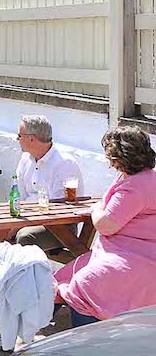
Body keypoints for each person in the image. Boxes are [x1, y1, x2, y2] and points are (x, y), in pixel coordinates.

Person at [55, 126, 156, 327]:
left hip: (136, 259)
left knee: (82, 286)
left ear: (120, 157)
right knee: (66, 274)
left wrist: (95, 210)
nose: (109, 162)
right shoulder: (145, 176)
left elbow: (106, 225)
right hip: (136, 253)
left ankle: (88, 343)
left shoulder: (135, 186)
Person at [14, 116, 83, 252]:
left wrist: (17, 225)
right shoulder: (25, 160)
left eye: (19, 135)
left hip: (59, 227)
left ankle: (31, 274)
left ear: (31, 138)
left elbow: (59, 208)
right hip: (28, 218)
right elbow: (20, 196)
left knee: (24, 237)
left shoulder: (64, 163)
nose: (17, 139)